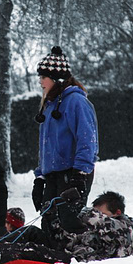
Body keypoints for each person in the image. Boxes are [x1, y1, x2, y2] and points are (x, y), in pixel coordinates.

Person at [0, 190, 133, 264]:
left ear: (117, 212)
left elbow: (100, 223)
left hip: (78, 261)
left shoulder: (127, 230)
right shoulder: (97, 227)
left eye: (101, 212)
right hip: (67, 250)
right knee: (31, 233)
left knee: (33, 250)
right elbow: (64, 236)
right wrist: (52, 217)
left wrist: (74, 208)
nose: (97, 215)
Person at [32, 46, 99, 244]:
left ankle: (79, 258)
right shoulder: (49, 105)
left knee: (69, 222)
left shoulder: (76, 102)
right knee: (49, 221)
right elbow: (46, 146)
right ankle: (53, 259)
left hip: (73, 173)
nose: (40, 81)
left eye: (43, 77)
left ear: (56, 79)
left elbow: (88, 141)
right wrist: (40, 177)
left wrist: (80, 175)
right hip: (53, 175)